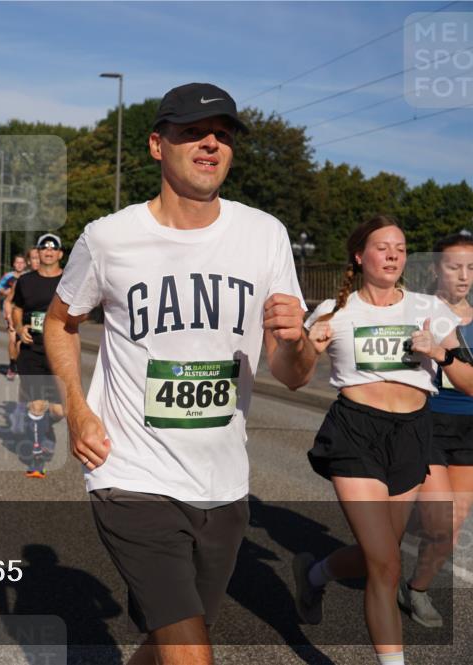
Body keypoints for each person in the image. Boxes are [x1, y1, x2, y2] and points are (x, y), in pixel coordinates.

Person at [47, 83, 316, 665]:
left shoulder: (263, 234)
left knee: (173, 637)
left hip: (223, 483)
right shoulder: (108, 238)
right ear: (155, 145)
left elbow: (293, 375)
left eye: (222, 134)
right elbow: (59, 322)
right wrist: (77, 408)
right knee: (192, 653)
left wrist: (296, 341)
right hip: (131, 474)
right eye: (193, 132)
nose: (210, 143)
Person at [293, 217, 472, 663]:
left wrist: (441, 353)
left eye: (401, 248)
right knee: (387, 567)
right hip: (355, 433)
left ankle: (314, 575)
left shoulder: (429, 308)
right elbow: (293, 377)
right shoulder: (335, 313)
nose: (393, 255)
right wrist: (306, 349)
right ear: (359, 256)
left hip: (412, 434)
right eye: (382, 247)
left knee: (382, 555)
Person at [399, 231, 473, 628]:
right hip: (426, 422)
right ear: (436, 268)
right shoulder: (417, 309)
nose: (464, 276)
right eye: (454, 266)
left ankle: (417, 590)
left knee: (451, 526)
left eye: (472, 267)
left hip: (469, 429)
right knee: (436, 517)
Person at [12, 234, 66, 478]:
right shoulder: (26, 281)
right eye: (44, 248)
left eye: (53, 249)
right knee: (37, 403)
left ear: (60, 254)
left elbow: (82, 310)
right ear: (38, 253)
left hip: (59, 353)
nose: (48, 252)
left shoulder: (69, 280)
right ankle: (37, 458)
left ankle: (42, 425)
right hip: (32, 351)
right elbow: (17, 308)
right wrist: (19, 327)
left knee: (58, 411)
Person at [0, 254, 28, 380]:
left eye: (22, 262)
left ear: (25, 264)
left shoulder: (28, 276)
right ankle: (12, 366)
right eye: (17, 262)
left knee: (21, 339)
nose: (20, 265)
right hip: (10, 307)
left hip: (23, 310)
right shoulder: (8, 276)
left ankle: (20, 364)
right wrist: (9, 293)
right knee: (12, 338)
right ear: (14, 264)